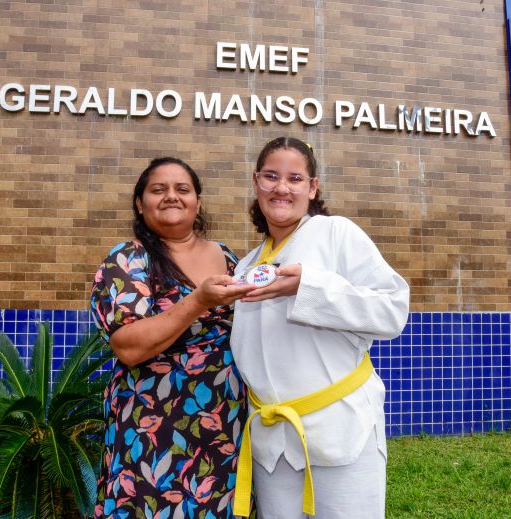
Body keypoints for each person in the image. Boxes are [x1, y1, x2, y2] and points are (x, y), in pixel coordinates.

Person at [230, 137, 410, 518]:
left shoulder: (337, 234)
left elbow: (392, 310)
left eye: (295, 178)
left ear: (312, 188)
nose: (282, 187)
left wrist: (308, 287)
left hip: (340, 429)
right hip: (271, 441)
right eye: (271, 176)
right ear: (256, 182)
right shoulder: (244, 268)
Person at [90, 157, 256, 519]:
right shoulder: (128, 259)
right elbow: (129, 347)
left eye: (182, 189)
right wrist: (198, 300)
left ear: (197, 201)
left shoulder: (228, 258)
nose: (171, 196)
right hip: (152, 425)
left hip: (223, 421)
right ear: (140, 202)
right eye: (158, 189)